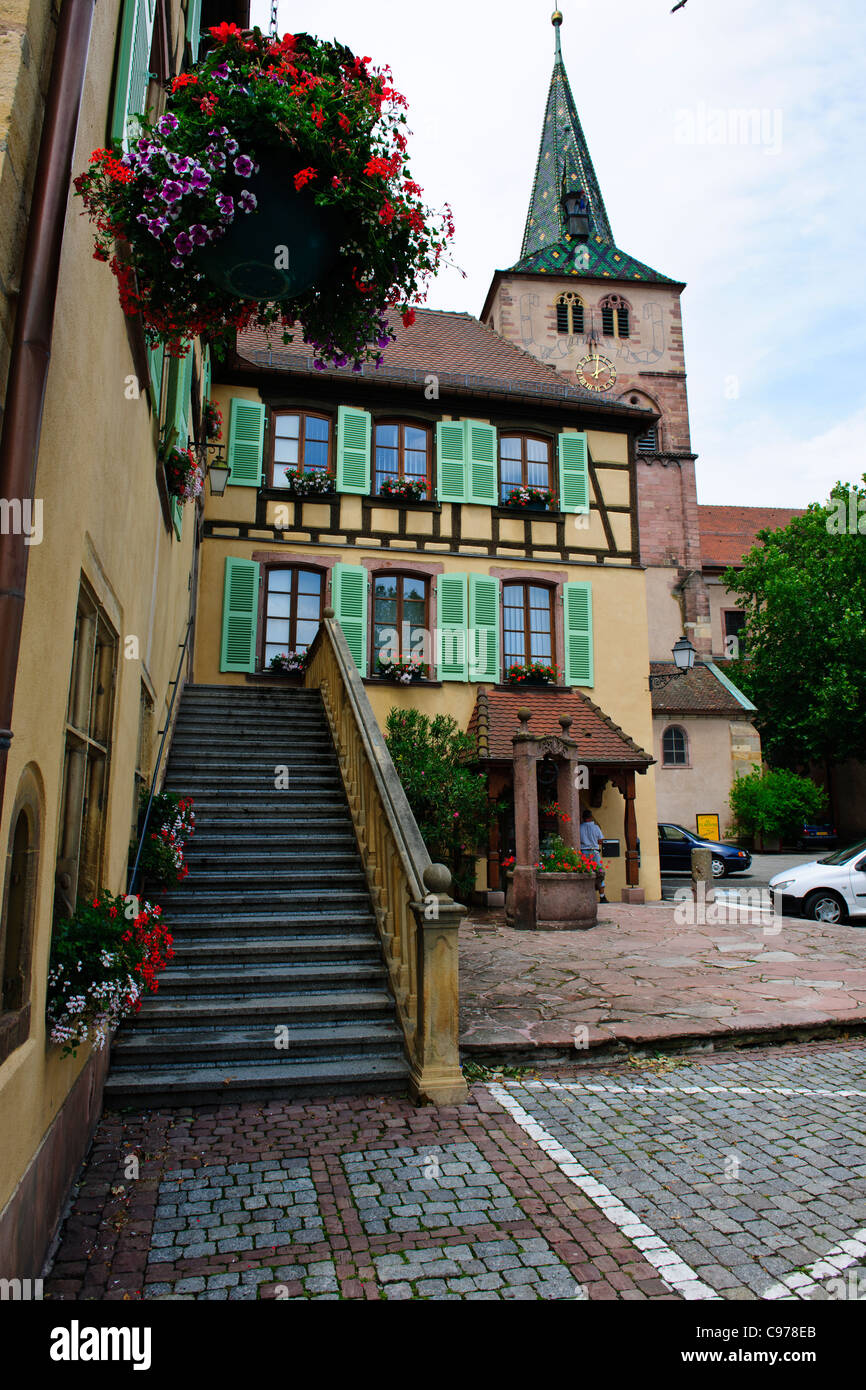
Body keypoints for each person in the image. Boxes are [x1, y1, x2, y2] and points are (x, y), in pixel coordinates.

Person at [579, 808, 608, 903]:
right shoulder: (596, 828)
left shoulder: (580, 827)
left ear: (583, 818)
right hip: (594, 852)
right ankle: (602, 896)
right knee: (599, 873)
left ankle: (586, 897)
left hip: (583, 852)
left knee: (585, 873)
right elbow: (600, 841)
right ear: (591, 817)